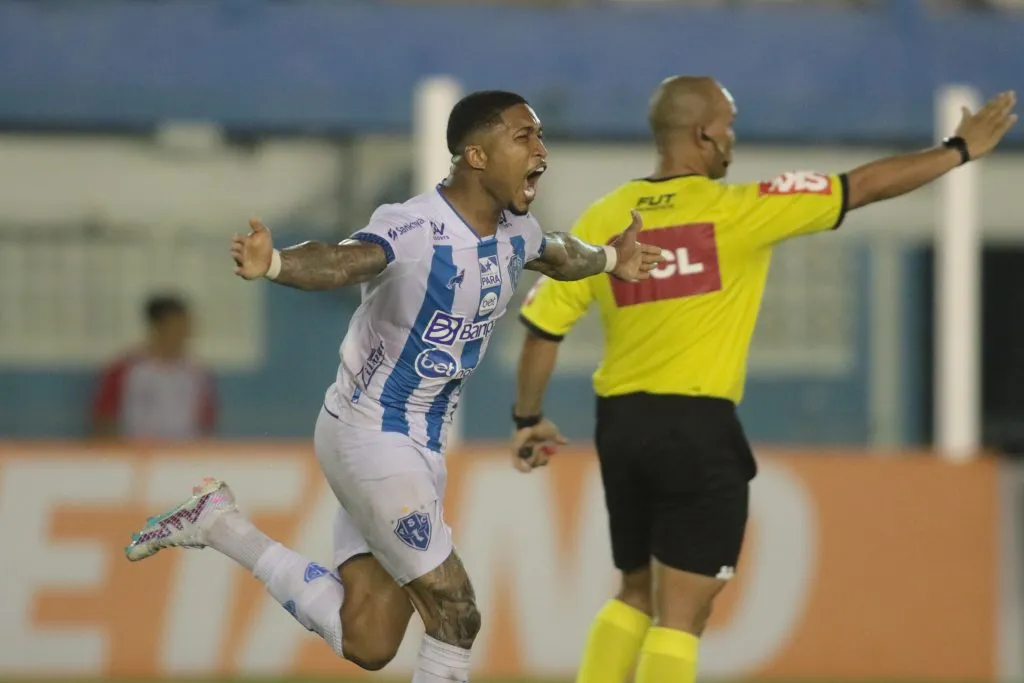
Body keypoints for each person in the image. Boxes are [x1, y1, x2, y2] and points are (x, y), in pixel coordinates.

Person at [122, 90, 663, 683]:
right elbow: (344, 259)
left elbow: (559, 254)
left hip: (418, 448)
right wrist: (275, 263)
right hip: (372, 437)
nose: (542, 150)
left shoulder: (517, 231)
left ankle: (218, 523)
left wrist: (611, 259)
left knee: (370, 639)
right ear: (476, 155)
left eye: (540, 136)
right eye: (524, 136)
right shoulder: (414, 226)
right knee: (456, 612)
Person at [510, 76, 1018, 683]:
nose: (732, 138)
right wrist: (956, 151)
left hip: (622, 426)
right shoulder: (740, 209)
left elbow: (543, 325)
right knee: (682, 616)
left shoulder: (606, 218)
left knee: (634, 594)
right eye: (728, 125)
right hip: (698, 428)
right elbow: (861, 187)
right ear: (702, 134)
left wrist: (527, 418)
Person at [91, 294, 217, 441]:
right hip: (137, 455)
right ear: (159, 326)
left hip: (185, 456)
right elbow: (105, 417)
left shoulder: (197, 372)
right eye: (177, 325)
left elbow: (207, 421)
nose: (185, 332)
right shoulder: (126, 369)